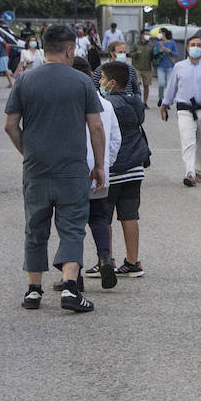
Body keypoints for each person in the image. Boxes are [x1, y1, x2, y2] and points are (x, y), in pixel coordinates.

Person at [3, 24, 102, 313]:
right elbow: (95, 125)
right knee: (72, 227)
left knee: (35, 226)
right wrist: (98, 165)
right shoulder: (82, 82)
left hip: (36, 168)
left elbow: (10, 125)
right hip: (72, 168)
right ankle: (70, 287)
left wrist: (28, 151)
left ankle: (34, 290)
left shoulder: (24, 80)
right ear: (70, 49)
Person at [98, 61, 150, 281]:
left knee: (105, 217)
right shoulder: (136, 102)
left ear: (111, 82)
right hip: (135, 167)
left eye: (101, 79)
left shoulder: (106, 104)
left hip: (114, 168)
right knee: (130, 216)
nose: (99, 83)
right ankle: (133, 261)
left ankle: (107, 260)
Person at [73, 56, 121, 289]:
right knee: (99, 217)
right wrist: (104, 164)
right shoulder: (107, 105)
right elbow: (115, 140)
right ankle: (105, 257)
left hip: (72, 172)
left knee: (71, 223)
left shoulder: (69, 103)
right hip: (99, 172)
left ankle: (74, 276)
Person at [160, 34, 201, 187]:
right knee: (188, 141)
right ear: (187, 48)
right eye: (193, 45)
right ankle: (189, 173)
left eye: (198, 45)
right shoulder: (179, 67)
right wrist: (165, 105)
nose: (195, 47)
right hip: (185, 109)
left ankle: (198, 171)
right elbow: (171, 88)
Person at [128, 28, 155, 104]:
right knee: (137, 84)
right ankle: (137, 100)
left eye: (148, 34)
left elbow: (154, 56)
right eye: (146, 34)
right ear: (141, 35)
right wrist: (136, 53)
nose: (147, 36)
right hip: (137, 68)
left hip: (147, 68)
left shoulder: (151, 45)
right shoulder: (136, 44)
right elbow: (130, 54)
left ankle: (145, 102)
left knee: (146, 86)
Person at [153, 28, 178, 107]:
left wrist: (169, 51)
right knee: (161, 83)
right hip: (160, 66)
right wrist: (158, 51)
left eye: (160, 32)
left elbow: (176, 54)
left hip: (170, 66)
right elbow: (154, 54)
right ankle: (161, 98)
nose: (159, 34)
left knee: (169, 85)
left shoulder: (172, 43)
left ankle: (167, 100)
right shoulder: (158, 43)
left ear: (164, 33)